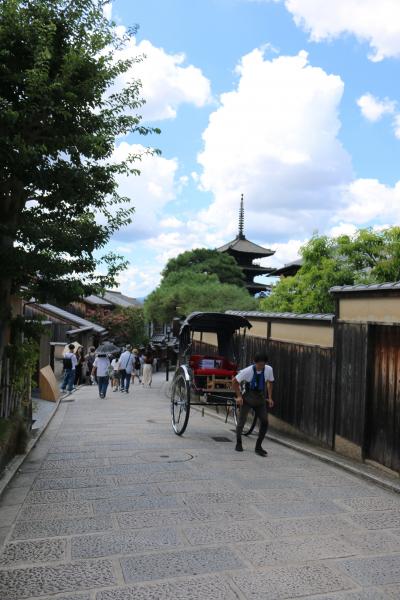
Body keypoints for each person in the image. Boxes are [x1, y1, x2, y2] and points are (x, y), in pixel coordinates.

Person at [232, 353, 274, 457]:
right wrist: (239, 396)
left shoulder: (268, 369)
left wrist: (270, 397)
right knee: (242, 420)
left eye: (263, 364)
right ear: (255, 363)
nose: (261, 367)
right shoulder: (248, 371)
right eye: (259, 364)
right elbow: (234, 381)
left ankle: (258, 446)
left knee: (265, 421)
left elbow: (270, 382)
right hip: (248, 398)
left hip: (260, 398)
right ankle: (238, 443)